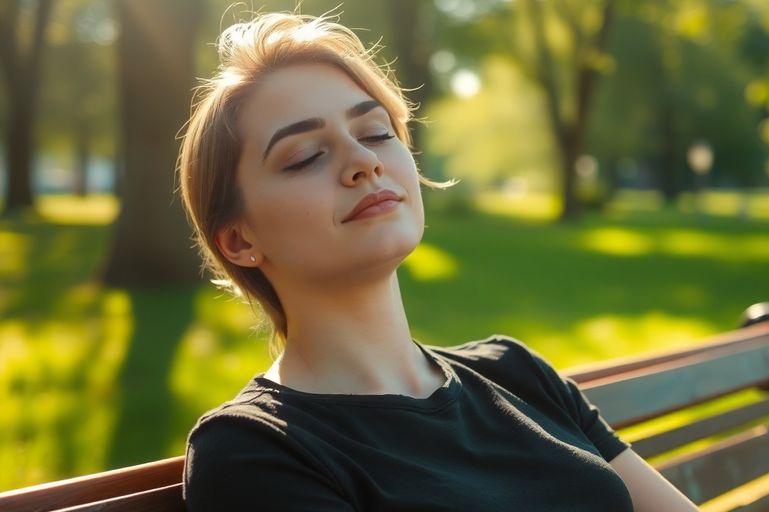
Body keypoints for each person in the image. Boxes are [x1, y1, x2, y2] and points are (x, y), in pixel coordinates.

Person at [179, 10, 700, 512]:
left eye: (376, 132)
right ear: (239, 240)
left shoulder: (516, 374)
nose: (365, 161)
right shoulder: (255, 451)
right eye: (305, 156)